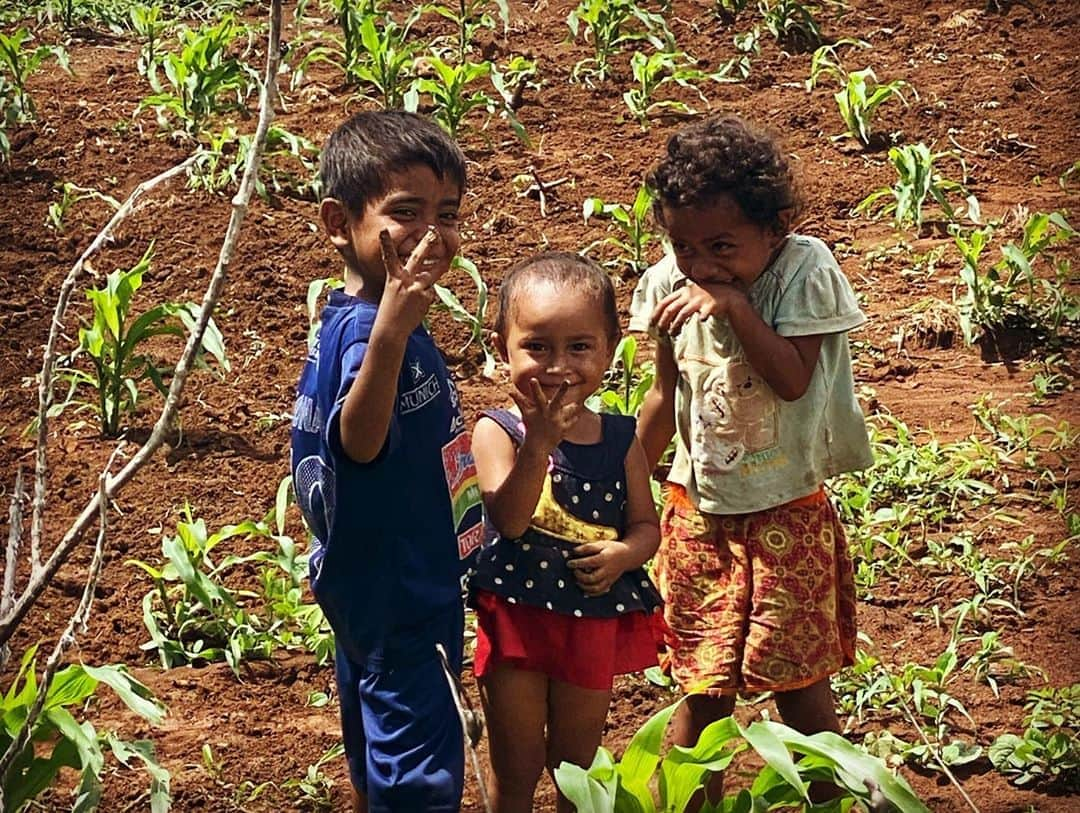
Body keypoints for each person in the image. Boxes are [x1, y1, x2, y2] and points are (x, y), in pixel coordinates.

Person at [630, 115, 873, 803]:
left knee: (800, 686)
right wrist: (626, 487)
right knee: (703, 687)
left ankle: (831, 799)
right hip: (697, 514)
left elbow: (794, 377)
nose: (701, 264)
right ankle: (685, 802)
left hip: (786, 513)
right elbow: (664, 397)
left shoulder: (804, 270)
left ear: (776, 228)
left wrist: (736, 306)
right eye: (683, 245)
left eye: (722, 246)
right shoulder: (667, 289)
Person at [289, 111, 484, 813]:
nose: (434, 232)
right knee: (419, 775)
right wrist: (396, 333)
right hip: (406, 590)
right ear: (339, 223)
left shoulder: (347, 314)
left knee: (379, 755)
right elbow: (359, 440)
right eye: (406, 212)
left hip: (367, 580)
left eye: (448, 213)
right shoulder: (376, 328)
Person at [468, 252, 665, 813]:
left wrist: (624, 554)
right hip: (517, 620)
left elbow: (646, 526)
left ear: (608, 349)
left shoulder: (618, 439)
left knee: (577, 770)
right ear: (503, 347)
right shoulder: (497, 431)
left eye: (579, 347)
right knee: (518, 765)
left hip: (590, 623)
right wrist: (540, 444)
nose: (558, 367)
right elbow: (508, 519)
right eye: (537, 347)